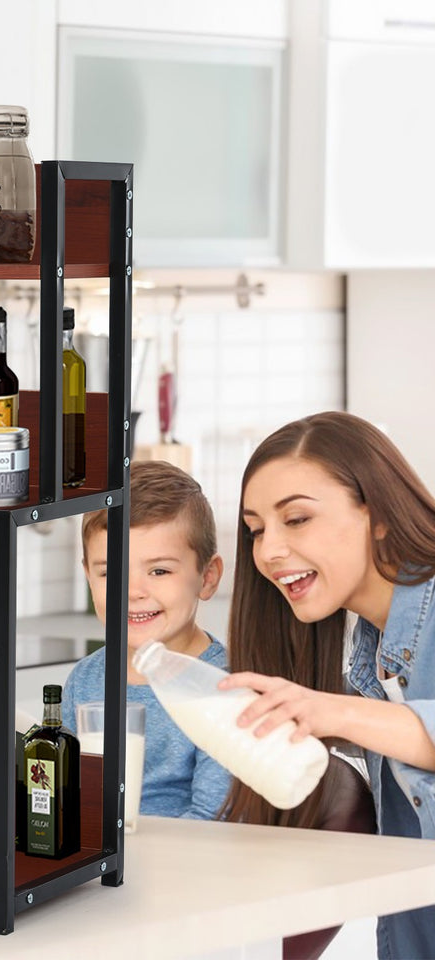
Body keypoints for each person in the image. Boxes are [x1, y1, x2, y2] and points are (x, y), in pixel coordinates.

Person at [222, 411, 434, 960]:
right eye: (256, 529)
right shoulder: (371, 656)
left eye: (296, 519)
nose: (268, 552)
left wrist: (331, 714)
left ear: (379, 514)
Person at [63, 460, 232, 820]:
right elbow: (70, 797)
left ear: (207, 577)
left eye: (159, 571)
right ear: (88, 577)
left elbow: (211, 819)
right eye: (110, 572)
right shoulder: (85, 680)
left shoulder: (223, 686)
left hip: (184, 865)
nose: (133, 591)